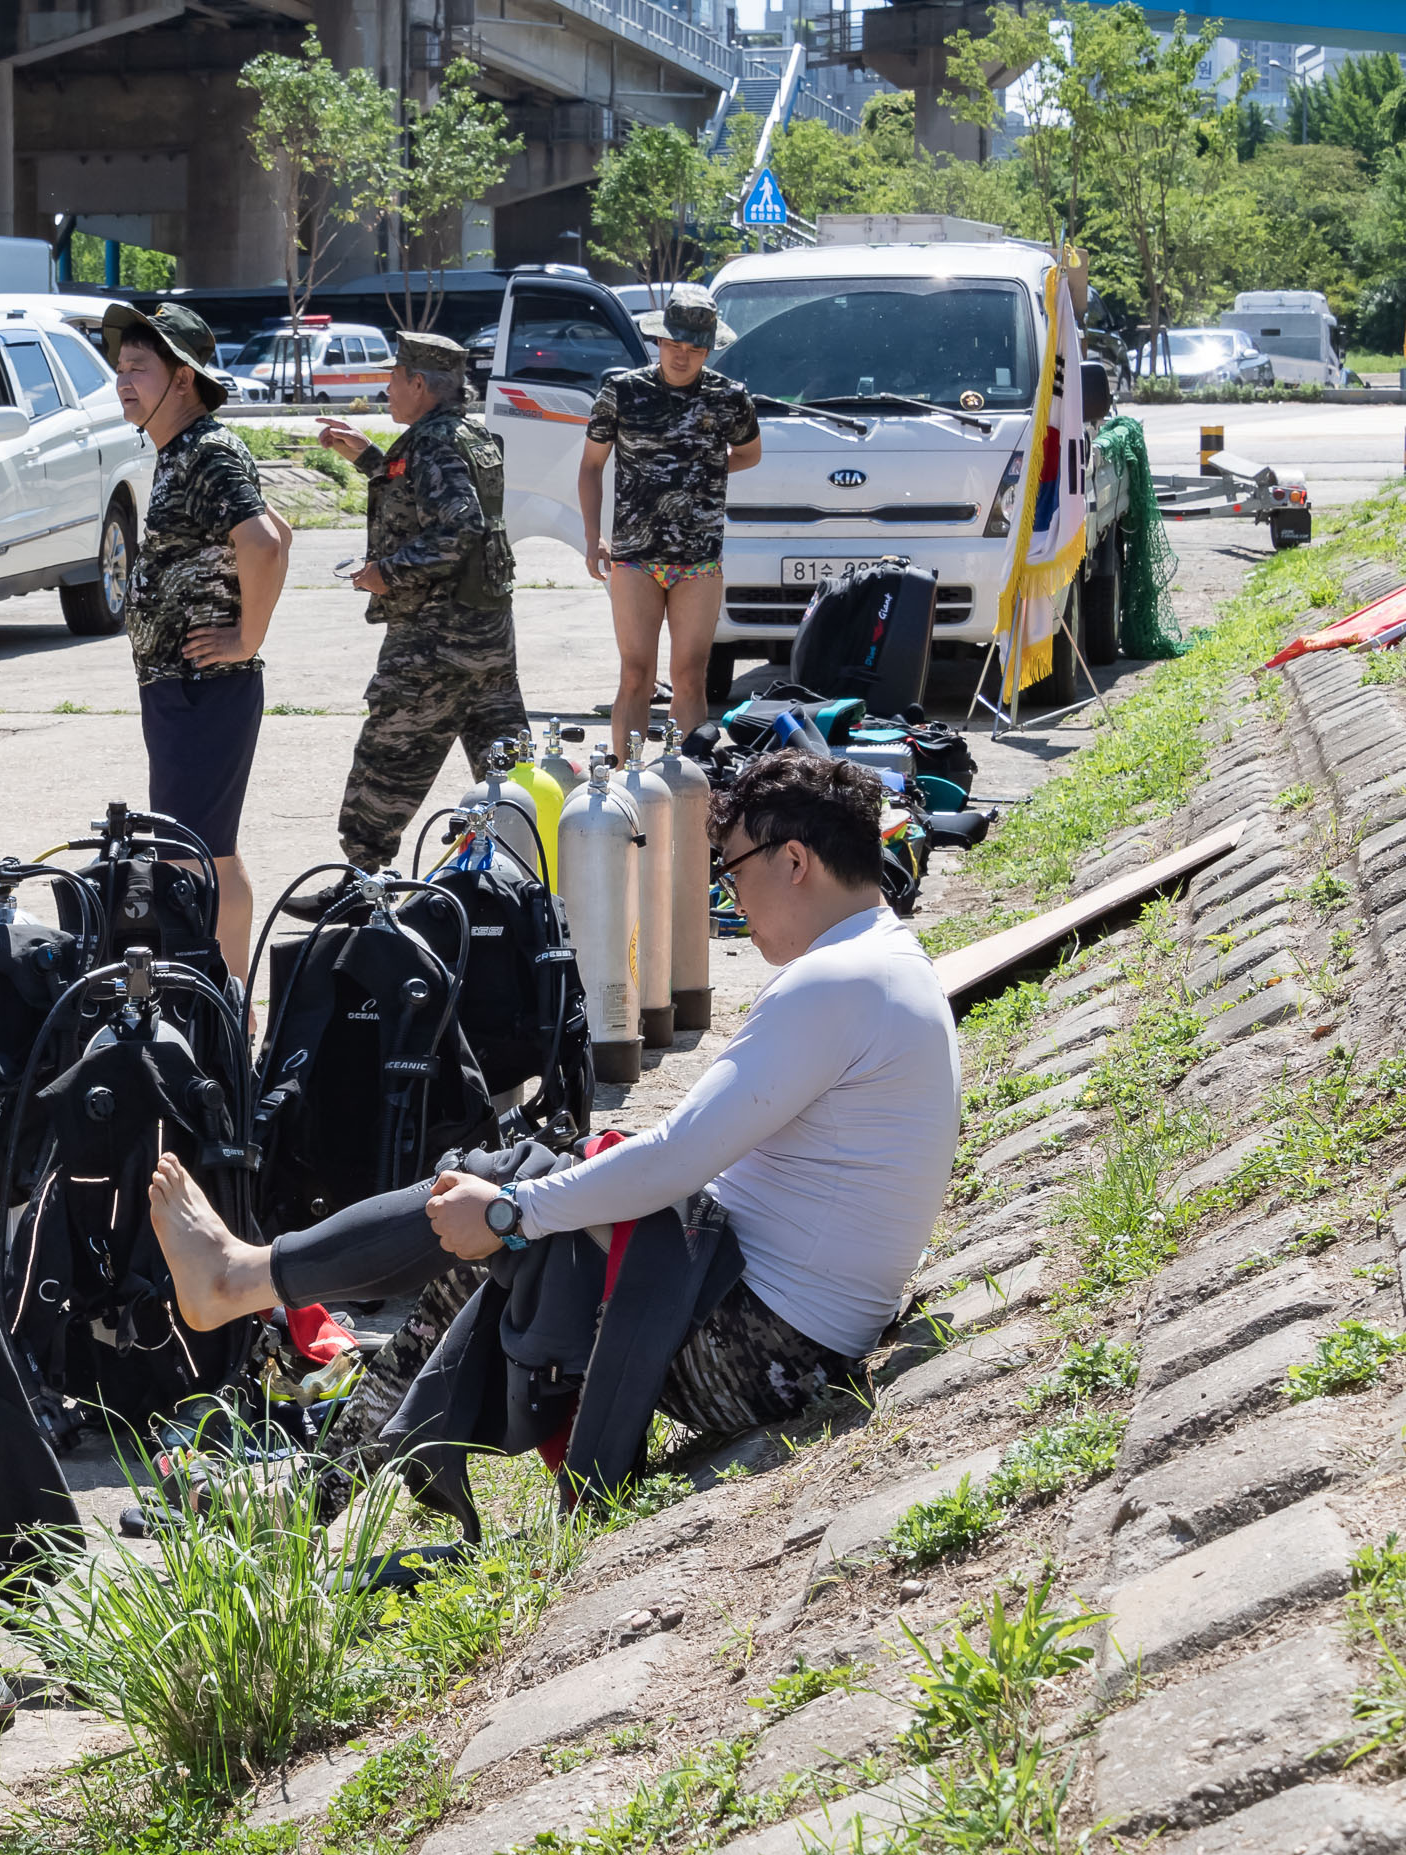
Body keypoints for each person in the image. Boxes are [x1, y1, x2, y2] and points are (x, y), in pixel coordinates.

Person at [150, 752, 955, 1446]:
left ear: (795, 861)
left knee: (504, 1207)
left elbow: (676, 1160)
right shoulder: (885, 959)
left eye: (734, 869)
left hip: (760, 1357)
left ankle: (266, 1331)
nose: (730, 897)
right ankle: (293, 1364)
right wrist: (518, 1203)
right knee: (517, 1186)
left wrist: (510, 1212)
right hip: (788, 1330)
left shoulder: (832, 983)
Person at [101, 302, 291, 974]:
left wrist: (246, 638)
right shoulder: (187, 451)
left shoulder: (206, 451)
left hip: (205, 686)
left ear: (183, 378)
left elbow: (264, 545)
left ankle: (223, 1007)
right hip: (188, 689)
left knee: (191, 856)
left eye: (139, 368)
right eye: (120, 368)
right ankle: (232, 1006)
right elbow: (281, 531)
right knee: (208, 850)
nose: (123, 380)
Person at [314, 331, 526, 874]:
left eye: (392, 378)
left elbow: (459, 528)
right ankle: (532, 883)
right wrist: (370, 459)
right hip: (487, 644)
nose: (385, 389)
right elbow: (424, 497)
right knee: (511, 782)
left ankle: (362, 885)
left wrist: (386, 572)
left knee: (383, 768)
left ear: (417, 383)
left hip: (433, 647)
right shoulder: (467, 435)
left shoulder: (432, 442)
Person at [581, 287, 762, 748]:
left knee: (689, 678)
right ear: (659, 342)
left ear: (709, 349)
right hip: (635, 556)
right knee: (635, 673)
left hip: (698, 560)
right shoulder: (622, 392)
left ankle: (688, 789)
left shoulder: (730, 397)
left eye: (695, 349)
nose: (683, 357)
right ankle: (624, 785)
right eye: (674, 345)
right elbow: (591, 466)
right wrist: (592, 537)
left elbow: (748, 454)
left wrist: (704, 469)